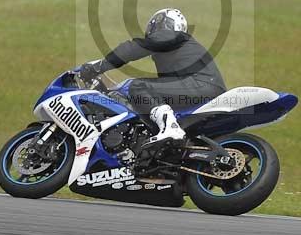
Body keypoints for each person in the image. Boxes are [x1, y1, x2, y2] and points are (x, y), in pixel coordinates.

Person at [80, 9, 226, 147]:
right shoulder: (178, 49)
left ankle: (171, 128)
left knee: (138, 86)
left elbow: (133, 49)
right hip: (201, 87)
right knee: (147, 98)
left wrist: (100, 66)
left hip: (201, 85)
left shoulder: (173, 36)